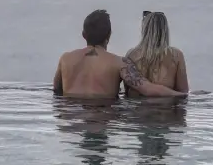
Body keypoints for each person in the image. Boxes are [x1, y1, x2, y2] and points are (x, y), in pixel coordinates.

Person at [53, 9, 186, 99]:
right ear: (109, 35)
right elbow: (148, 89)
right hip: (103, 119)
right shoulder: (119, 63)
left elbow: (57, 91)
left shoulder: (65, 59)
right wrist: (181, 95)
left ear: (83, 35)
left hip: (72, 121)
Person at [124, 11, 188, 97]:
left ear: (145, 29)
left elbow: (127, 91)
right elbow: (183, 93)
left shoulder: (131, 54)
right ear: (165, 30)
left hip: (138, 109)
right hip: (165, 108)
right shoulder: (176, 55)